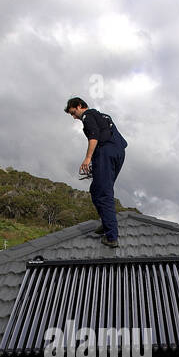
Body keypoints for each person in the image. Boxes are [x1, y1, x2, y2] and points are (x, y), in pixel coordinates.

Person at [65, 97, 127, 246]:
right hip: (118, 153)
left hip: (106, 153)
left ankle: (111, 237)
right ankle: (107, 223)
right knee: (96, 189)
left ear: (79, 106)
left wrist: (88, 158)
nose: (74, 117)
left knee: (103, 194)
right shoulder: (104, 116)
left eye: (73, 113)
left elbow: (94, 136)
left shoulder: (88, 116)